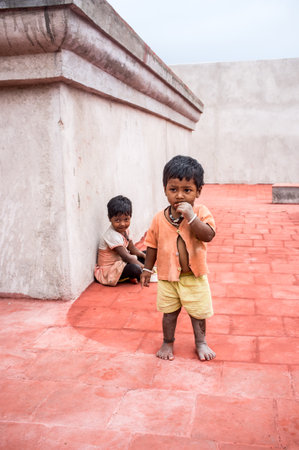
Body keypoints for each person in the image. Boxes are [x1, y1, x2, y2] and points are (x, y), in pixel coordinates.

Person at [141, 155, 216, 361]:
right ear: (165, 189)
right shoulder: (158, 218)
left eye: (187, 190)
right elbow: (152, 245)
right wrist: (147, 269)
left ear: (198, 191)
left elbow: (208, 235)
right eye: (173, 190)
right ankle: (167, 342)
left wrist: (191, 217)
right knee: (169, 313)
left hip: (194, 277)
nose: (180, 196)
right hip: (168, 278)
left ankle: (200, 342)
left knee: (198, 312)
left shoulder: (201, 212)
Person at [94, 195, 145, 286]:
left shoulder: (125, 231)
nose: (122, 224)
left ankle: (132, 275)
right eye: (117, 220)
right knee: (135, 269)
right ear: (110, 218)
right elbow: (127, 257)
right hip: (110, 270)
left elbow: (132, 248)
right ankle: (128, 277)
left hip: (121, 263)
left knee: (148, 253)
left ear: (130, 216)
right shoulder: (111, 235)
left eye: (126, 219)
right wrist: (146, 269)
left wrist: (145, 256)